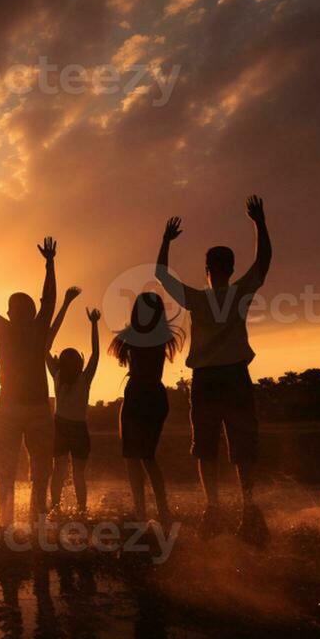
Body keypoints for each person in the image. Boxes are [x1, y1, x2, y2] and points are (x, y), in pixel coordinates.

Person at [155, 196, 273, 544]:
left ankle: (213, 508)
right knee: (242, 446)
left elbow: (161, 275)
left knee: (205, 447)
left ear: (207, 269)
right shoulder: (239, 292)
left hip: (207, 380)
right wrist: (259, 222)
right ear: (231, 268)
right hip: (235, 376)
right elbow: (264, 261)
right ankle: (248, 509)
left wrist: (166, 240)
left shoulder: (198, 299)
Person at [0, 238, 74, 525]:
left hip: (36, 408)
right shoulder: (6, 329)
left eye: (24, 307)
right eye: (18, 307)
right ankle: (10, 525)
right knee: (9, 472)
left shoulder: (34, 327)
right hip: (13, 407)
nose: (20, 311)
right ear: (12, 313)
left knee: (39, 472)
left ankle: (33, 523)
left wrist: (50, 264)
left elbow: (48, 300)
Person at [108, 292, 185, 522]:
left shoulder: (131, 336)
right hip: (154, 397)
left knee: (134, 458)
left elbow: (119, 353)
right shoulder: (162, 336)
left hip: (138, 395)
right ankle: (162, 511)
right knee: (147, 457)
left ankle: (142, 511)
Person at [48, 307, 101, 513]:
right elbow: (95, 354)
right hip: (77, 428)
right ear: (80, 364)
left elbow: (44, 348)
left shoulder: (58, 375)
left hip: (61, 426)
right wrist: (94, 324)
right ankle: (81, 509)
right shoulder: (83, 378)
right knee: (78, 473)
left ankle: (55, 508)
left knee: (58, 470)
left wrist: (65, 305)